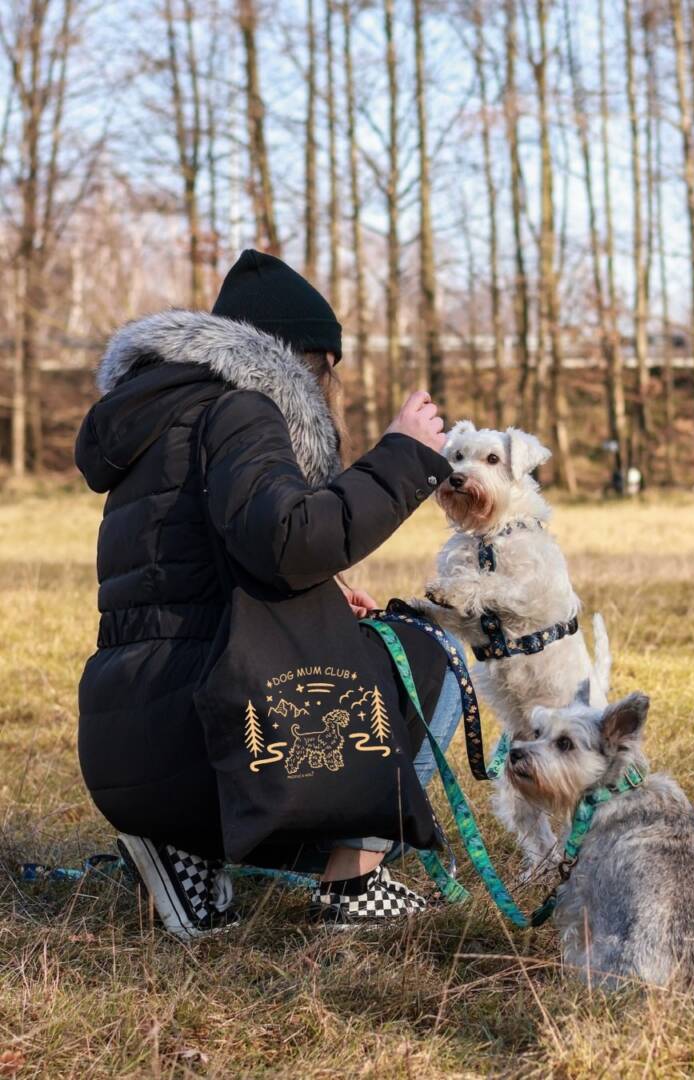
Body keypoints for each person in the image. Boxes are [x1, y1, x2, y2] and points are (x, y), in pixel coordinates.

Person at [75, 250, 463, 937]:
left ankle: (185, 858)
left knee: (355, 642)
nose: (330, 388)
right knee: (428, 649)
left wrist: (324, 602)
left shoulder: (162, 418)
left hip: (126, 739)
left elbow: (207, 569)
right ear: (297, 361)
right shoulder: (243, 407)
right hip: (203, 738)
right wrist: (403, 453)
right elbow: (288, 543)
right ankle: (353, 881)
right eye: (328, 369)